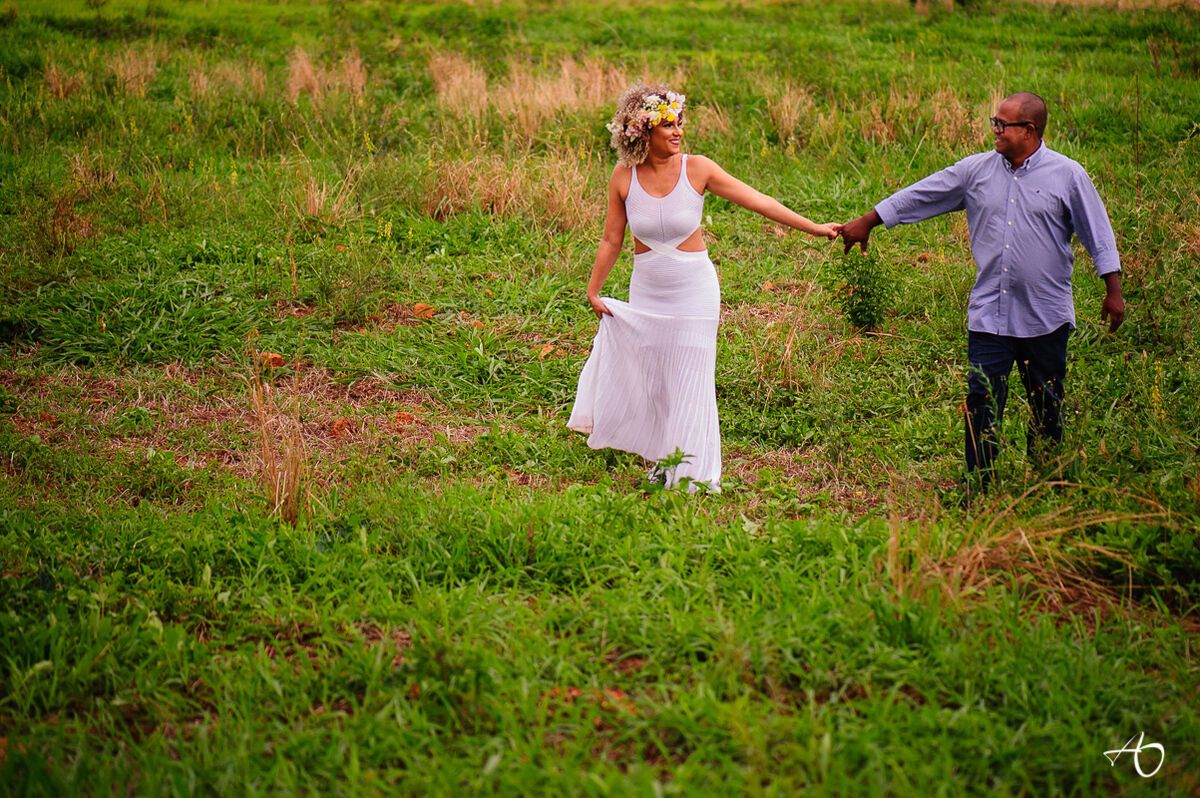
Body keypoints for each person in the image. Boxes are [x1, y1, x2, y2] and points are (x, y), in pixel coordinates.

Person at [839, 92, 1125, 493]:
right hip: (991, 313)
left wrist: (1112, 290)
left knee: (1046, 402)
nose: (995, 130)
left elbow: (1098, 232)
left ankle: (1047, 485)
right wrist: (871, 219)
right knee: (982, 401)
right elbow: (926, 193)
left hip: (1045, 316)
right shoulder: (976, 171)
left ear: (1029, 130)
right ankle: (978, 484)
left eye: (1002, 124)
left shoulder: (1067, 175)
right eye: (995, 122)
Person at [568, 84, 840, 491]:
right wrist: (594, 290)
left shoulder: (698, 169)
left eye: (679, 123)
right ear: (643, 132)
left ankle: (695, 473)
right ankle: (664, 462)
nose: (677, 132)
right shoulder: (624, 176)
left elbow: (760, 201)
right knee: (656, 380)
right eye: (667, 126)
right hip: (648, 290)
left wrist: (815, 228)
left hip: (693, 289)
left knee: (691, 378)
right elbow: (612, 239)